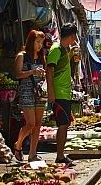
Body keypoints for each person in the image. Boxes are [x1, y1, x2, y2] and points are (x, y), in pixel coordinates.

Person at [46, 23, 77, 164]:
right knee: (62, 125)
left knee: (65, 124)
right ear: (71, 36)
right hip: (58, 93)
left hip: (65, 93)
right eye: (74, 36)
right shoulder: (56, 49)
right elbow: (49, 70)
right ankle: (60, 156)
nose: (75, 38)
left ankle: (61, 155)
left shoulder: (65, 50)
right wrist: (51, 92)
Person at [14, 30, 46, 162]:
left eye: (41, 43)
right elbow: (17, 74)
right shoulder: (22, 56)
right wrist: (33, 71)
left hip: (39, 93)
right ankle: (18, 144)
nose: (39, 45)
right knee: (30, 123)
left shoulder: (41, 57)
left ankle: (32, 154)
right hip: (27, 91)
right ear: (31, 41)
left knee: (38, 124)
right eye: (37, 42)